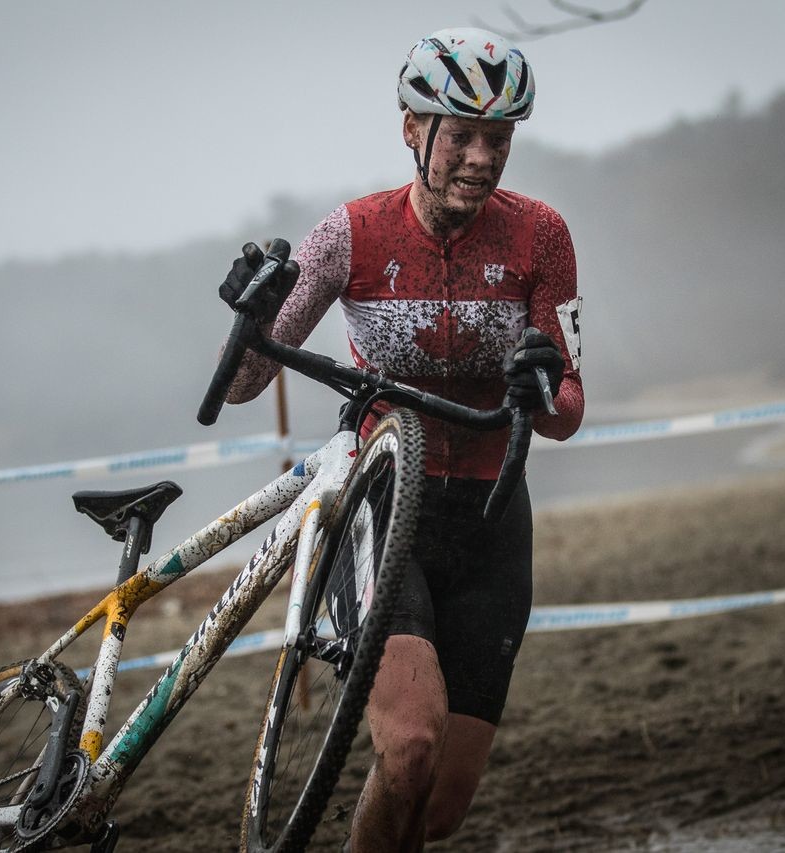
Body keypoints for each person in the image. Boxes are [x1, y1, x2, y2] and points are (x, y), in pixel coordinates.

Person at [219, 26, 584, 851]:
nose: (482, 157)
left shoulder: (542, 237)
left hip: (493, 521)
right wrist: (244, 322)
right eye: (461, 134)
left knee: (438, 808)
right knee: (409, 745)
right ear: (413, 129)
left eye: (500, 138)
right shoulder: (348, 236)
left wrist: (541, 387)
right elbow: (244, 385)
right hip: (389, 507)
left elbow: (568, 407)